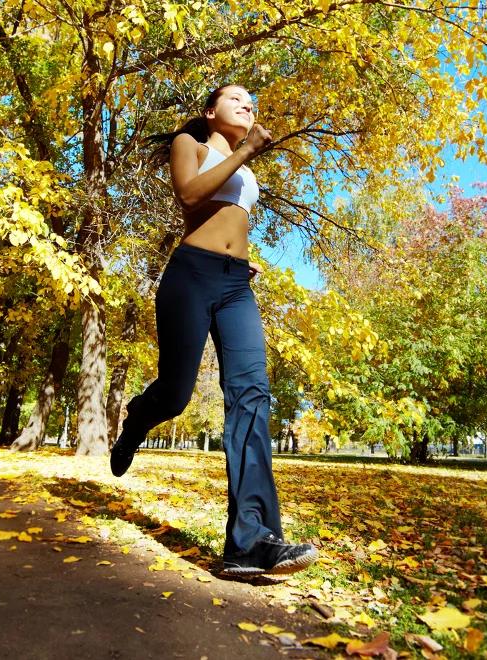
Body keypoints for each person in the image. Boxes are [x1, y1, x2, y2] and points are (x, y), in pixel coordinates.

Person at [109, 84, 318, 577]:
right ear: (210, 111)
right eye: (237, 99)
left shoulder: (245, 172)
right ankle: (140, 415)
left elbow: (231, 220)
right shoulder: (192, 145)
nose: (249, 105)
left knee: (252, 394)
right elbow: (189, 194)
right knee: (177, 395)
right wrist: (245, 149)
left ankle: (252, 542)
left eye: (253, 102)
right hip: (190, 276)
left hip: (235, 286)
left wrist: (243, 260)